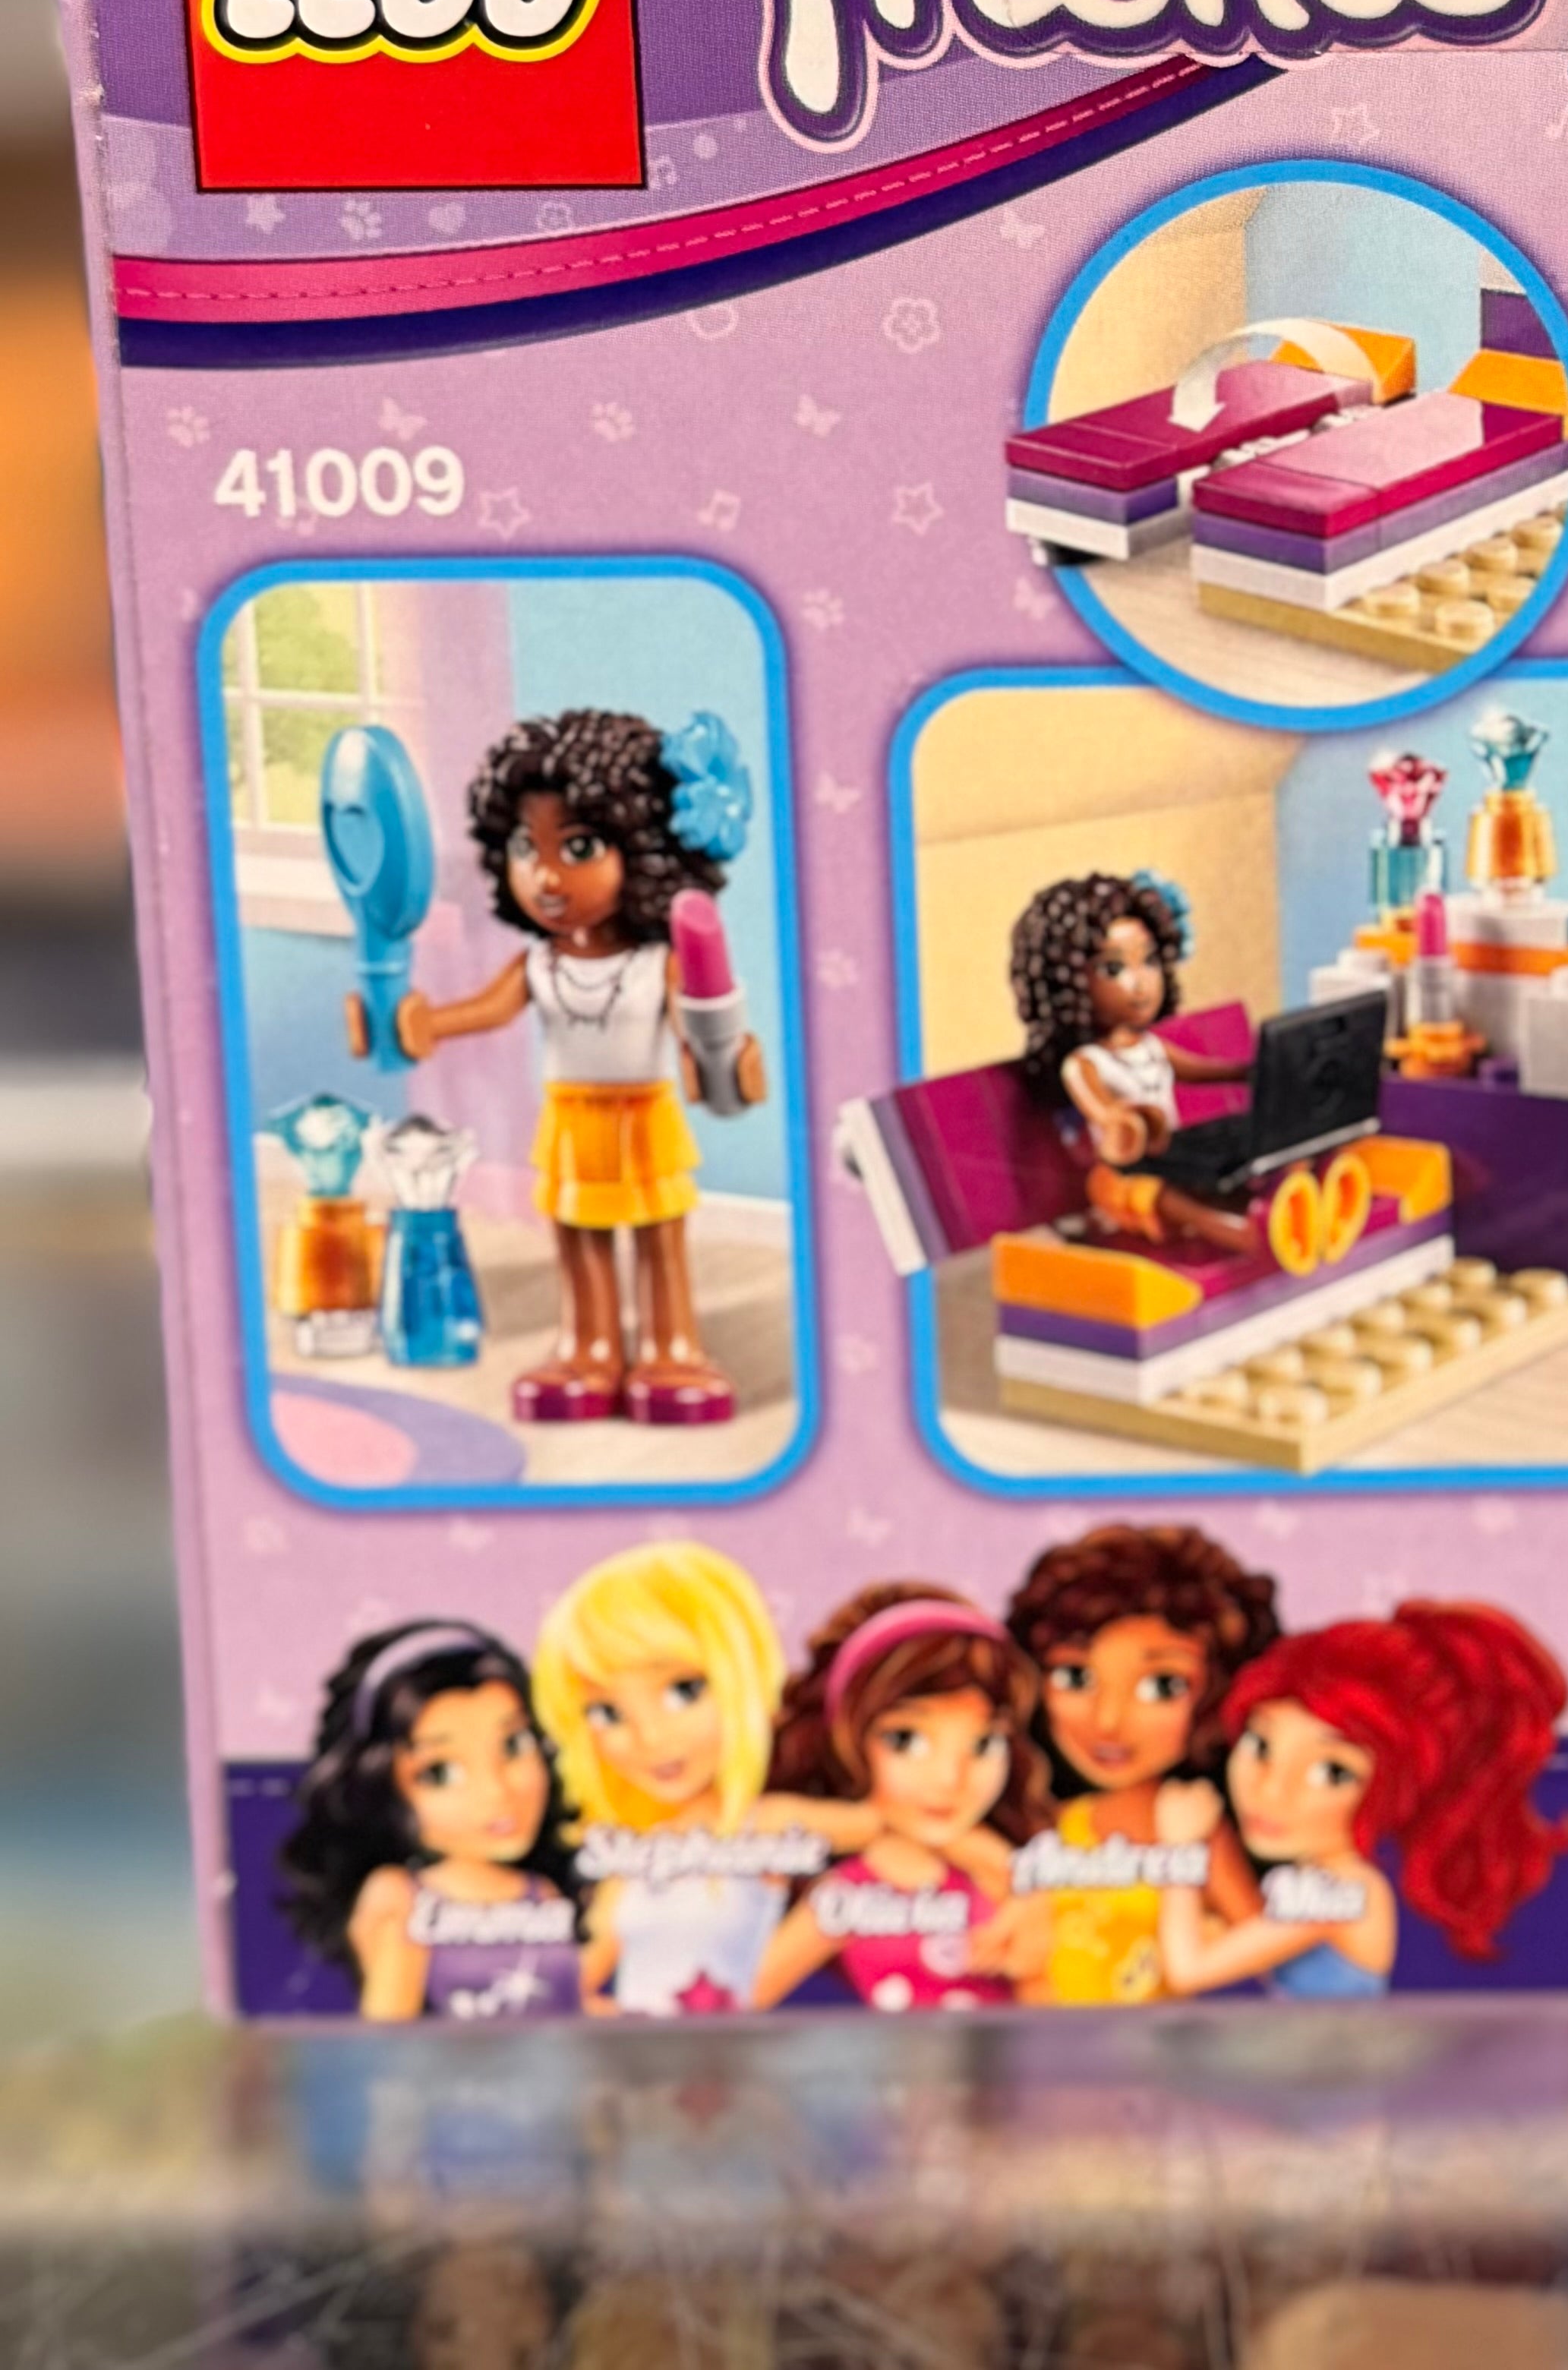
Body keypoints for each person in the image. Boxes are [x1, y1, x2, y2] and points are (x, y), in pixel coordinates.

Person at [365, 708, 763, 1425]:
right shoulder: (540, 964)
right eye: (526, 847)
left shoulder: (657, 963)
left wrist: (721, 1063)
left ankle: (672, 1345)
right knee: (577, 1235)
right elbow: (486, 1010)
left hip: (642, 1114)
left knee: (659, 1233)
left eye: (578, 848)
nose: (545, 875)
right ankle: (588, 1345)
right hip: (572, 1118)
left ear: (644, 851)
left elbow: (699, 1032)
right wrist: (422, 1024)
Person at [531, 1542, 898, 2015]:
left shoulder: (766, 1823)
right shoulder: (628, 1854)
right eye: (607, 1713)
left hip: (737, 2047)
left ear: (740, 1677)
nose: (651, 1737)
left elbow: (897, 1826)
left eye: (684, 1691)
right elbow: (574, 1985)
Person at [1151, 1603, 1568, 1998]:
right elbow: (1252, 1940)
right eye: (1260, 1745)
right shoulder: (1318, 1878)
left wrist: (1180, 1852)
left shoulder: (1345, 1889)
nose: (1271, 1790)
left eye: (1331, 1773)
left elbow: (1189, 1971)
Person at [1002, 1523, 1279, 2006]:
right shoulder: (1056, 1825)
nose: (1108, 1721)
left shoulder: (1193, 1825)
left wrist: (1202, 1930)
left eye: (1162, 1686)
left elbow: (1264, 1952)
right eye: (1075, 1676)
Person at [750, 1585, 1054, 2013]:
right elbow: (745, 1999)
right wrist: (877, 1823)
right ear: (852, 1744)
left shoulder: (1001, 1880)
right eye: (906, 1740)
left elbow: (1052, 2017)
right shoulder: (850, 1890)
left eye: (985, 1744)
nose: (949, 1779)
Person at [276, 1619, 582, 2021]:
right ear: (382, 1786)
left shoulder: (543, 1893)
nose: (496, 1791)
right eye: (440, 1773)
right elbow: (388, 2027)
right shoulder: (400, 1897)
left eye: (514, 1744)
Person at [1009, 871, 1256, 1254]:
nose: (1141, 983)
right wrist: (1122, 1118)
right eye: (1114, 969)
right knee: (1154, 1194)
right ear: (1068, 982)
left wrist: (1250, 1071)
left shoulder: (1152, 1047)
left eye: (1150, 961)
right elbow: (1101, 1110)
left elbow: (1202, 1070)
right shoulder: (1086, 1063)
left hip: (1173, 1158)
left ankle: (1259, 1210)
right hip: (1121, 1174)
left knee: (1230, 1160)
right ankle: (1231, 1231)